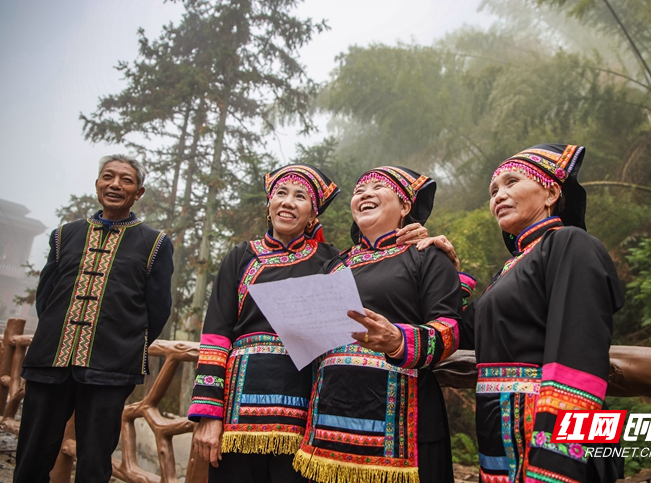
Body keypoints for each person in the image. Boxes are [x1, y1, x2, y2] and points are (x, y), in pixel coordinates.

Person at [188, 164, 429, 482]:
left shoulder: (332, 262)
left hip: (304, 419)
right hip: (236, 415)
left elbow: (381, 276)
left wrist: (419, 238)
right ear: (269, 205)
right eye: (281, 194)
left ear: (314, 215)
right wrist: (209, 414)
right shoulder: (242, 256)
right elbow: (216, 336)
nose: (288, 202)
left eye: (300, 196)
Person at [462, 144, 624, 482]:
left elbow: (578, 353)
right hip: (502, 438)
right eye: (493, 191)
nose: (498, 196)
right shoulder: (512, 268)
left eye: (511, 182)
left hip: (550, 447)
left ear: (550, 192)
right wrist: (436, 267)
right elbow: (464, 328)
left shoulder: (570, 244)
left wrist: (555, 459)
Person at [294, 166, 463, 483]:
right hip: (327, 427)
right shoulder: (335, 265)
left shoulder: (426, 255)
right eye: (359, 191)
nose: (365, 194)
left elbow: (451, 330)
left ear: (405, 207)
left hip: (402, 428)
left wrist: (399, 341)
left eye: (378, 187)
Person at [15, 154, 173, 483]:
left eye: (126, 180)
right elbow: (46, 299)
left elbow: (156, 310)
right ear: (97, 184)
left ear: (138, 192)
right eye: (108, 177)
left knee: (94, 462)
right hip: (49, 362)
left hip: (111, 369)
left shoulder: (155, 244)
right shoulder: (64, 236)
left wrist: (124, 344)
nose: (115, 184)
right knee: (31, 457)